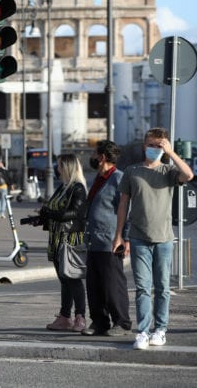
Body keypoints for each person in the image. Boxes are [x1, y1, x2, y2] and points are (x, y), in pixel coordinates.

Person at [113, 127, 194, 350]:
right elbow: (123, 204)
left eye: (159, 146)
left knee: (162, 287)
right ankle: (143, 332)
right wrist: (119, 235)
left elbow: (188, 175)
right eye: (151, 145)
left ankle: (160, 329)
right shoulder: (132, 171)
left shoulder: (168, 171)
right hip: (138, 237)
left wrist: (172, 153)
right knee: (142, 287)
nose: (154, 149)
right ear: (144, 145)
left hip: (164, 239)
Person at [82, 140, 131, 337]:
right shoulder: (99, 178)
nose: (92, 158)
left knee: (112, 285)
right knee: (94, 285)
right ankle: (99, 321)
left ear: (102, 157)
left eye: (95, 154)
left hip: (111, 240)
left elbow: (127, 210)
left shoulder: (118, 179)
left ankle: (122, 322)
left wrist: (125, 238)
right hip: (94, 240)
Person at [38, 153, 87, 333]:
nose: (57, 169)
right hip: (56, 239)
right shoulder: (63, 188)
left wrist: (51, 215)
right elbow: (53, 209)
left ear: (67, 167)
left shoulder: (78, 188)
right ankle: (65, 316)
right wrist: (40, 218)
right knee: (64, 281)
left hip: (69, 240)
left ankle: (80, 317)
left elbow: (74, 213)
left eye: (59, 165)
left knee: (72, 278)